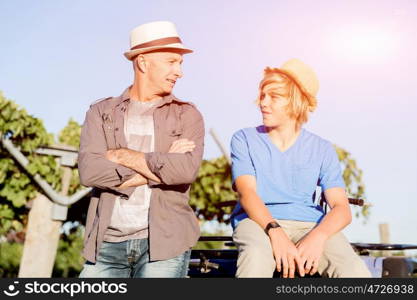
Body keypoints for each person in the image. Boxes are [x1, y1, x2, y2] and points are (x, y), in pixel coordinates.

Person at [77, 21, 204, 278]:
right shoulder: (101, 113)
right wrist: (160, 168)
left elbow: (184, 171)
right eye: (171, 62)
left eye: (180, 63)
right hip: (106, 245)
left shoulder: (187, 115)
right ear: (143, 63)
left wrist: (122, 155)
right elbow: (90, 172)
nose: (179, 72)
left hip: (165, 245)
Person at [230, 59, 371, 278]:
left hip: (311, 225)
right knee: (256, 258)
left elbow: (341, 208)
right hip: (259, 223)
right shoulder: (245, 139)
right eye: (262, 95)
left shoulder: (322, 148)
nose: (263, 103)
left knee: (354, 272)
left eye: (274, 97)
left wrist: (319, 237)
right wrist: (275, 232)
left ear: (297, 101)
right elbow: (247, 193)